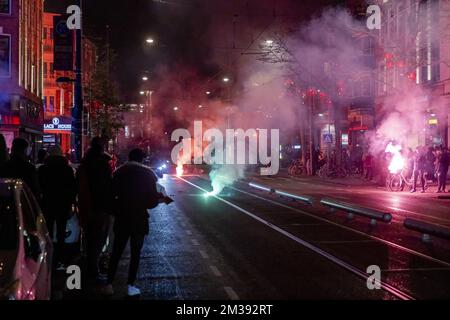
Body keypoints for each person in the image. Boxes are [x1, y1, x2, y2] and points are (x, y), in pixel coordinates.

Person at [102, 148, 168, 297]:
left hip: (122, 218)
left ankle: (109, 283)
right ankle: (131, 286)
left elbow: (110, 196)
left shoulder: (119, 173)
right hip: (139, 219)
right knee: (135, 253)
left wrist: (117, 211)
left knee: (116, 252)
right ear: (142, 159)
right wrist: (160, 199)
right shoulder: (148, 174)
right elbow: (151, 201)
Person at [77, 137, 113, 285]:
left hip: (86, 206)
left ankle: (89, 267)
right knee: (98, 240)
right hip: (100, 207)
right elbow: (107, 186)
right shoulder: (103, 164)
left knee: (89, 238)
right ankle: (93, 270)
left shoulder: (85, 163)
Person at [38, 145, 77, 269]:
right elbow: (73, 188)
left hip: (47, 204)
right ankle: (60, 259)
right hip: (63, 205)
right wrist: (70, 202)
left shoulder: (43, 169)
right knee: (61, 233)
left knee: (47, 232)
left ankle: (48, 258)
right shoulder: (67, 169)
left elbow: (38, 187)